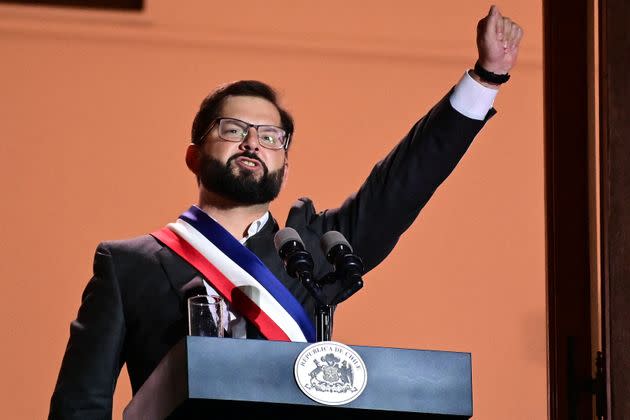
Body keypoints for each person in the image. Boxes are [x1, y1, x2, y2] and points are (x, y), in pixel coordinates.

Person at [49, 5, 522, 419]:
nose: (253, 142)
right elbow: (79, 405)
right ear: (194, 155)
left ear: (284, 164)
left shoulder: (316, 254)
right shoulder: (126, 265)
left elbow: (402, 184)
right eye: (234, 129)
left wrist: (485, 78)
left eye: (271, 136)